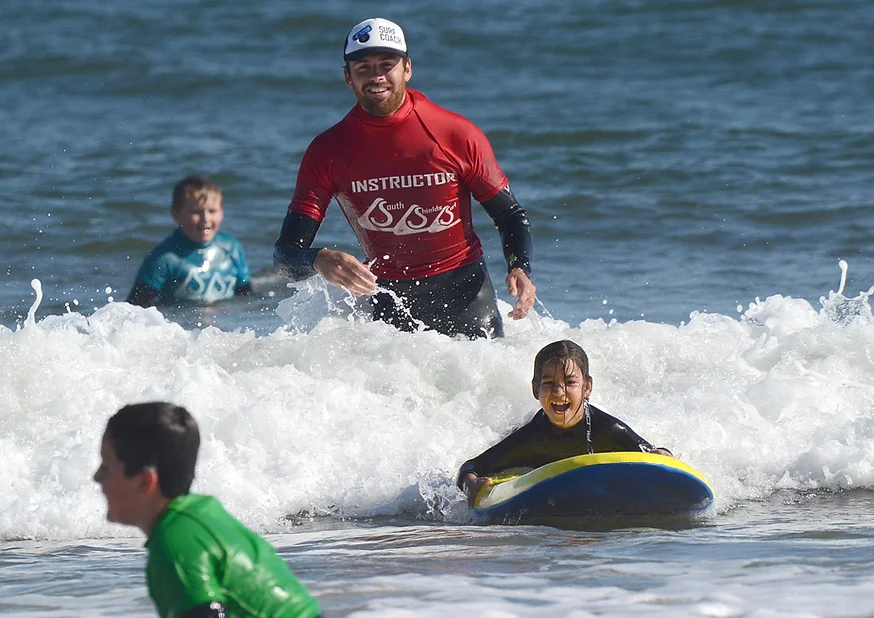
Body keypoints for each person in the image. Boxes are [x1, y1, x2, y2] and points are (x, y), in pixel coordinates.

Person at [273, 17, 536, 339]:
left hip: (466, 294)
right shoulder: (327, 151)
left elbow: (510, 215)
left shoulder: (455, 134)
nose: (376, 76)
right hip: (390, 301)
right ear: (348, 77)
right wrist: (319, 259)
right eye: (363, 68)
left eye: (387, 65)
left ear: (407, 69)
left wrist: (519, 267)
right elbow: (285, 256)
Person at [93, 402, 321, 618]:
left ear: (145, 482)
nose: (96, 477)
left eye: (106, 468)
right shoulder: (202, 513)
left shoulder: (174, 543)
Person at [457, 340, 673, 506]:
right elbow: (470, 468)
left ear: (587, 388)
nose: (559, 392)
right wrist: (472, 485)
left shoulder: (607, 430)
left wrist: (662, 455)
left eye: (570, 382)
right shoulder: (529, 438)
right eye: (548, 383)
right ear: (535, 389)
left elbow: (653, 456)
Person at [128, 176, 253, 307]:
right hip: (181, 320)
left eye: (212, 211)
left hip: (228, 319)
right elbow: (135, 307)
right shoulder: (164, 258)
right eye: (196, 212)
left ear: (222, 213)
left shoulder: (231, 247)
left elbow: (246, 295)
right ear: (176, 215)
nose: (205, 218)